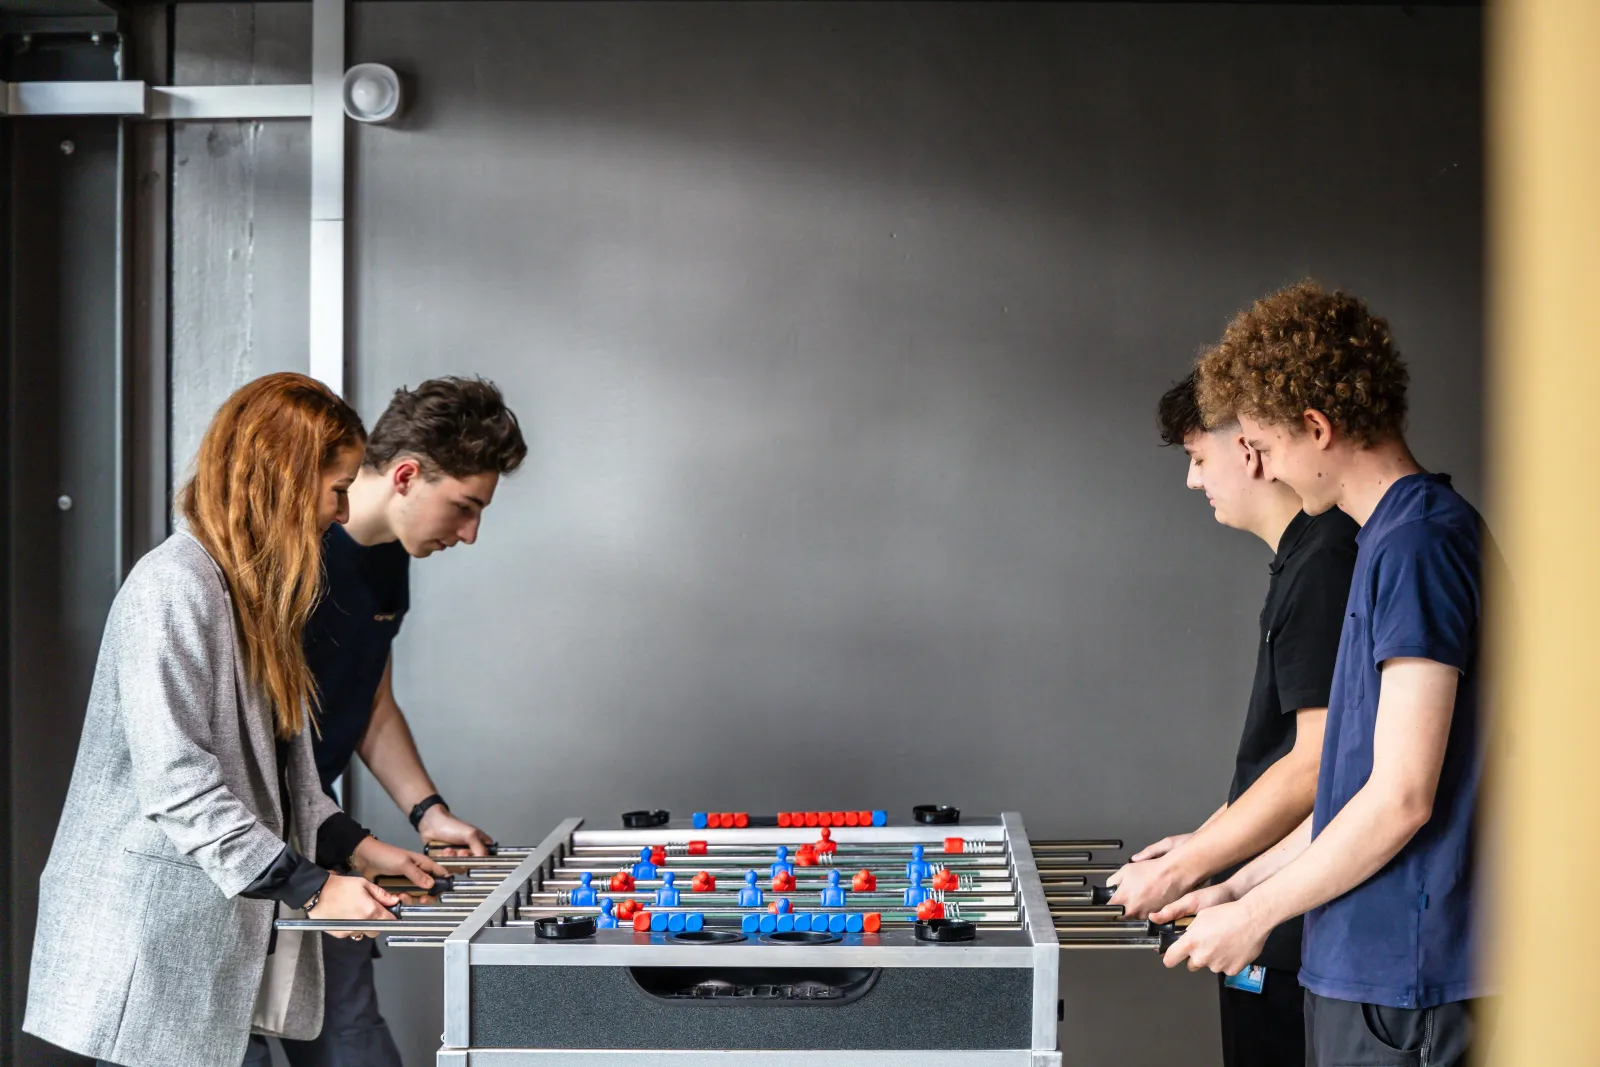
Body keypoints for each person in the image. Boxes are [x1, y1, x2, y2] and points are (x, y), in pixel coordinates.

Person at [23, 373, 447, 1067]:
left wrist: (358, 845)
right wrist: (314, 889)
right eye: (337, 487)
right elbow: (180, 787)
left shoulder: (257, 597)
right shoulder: (172, 587)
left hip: (219, 939)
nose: (342, 512)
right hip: (149, 944)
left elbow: (287, 777)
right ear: (284, 478)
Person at [1162, 281, 1491, 1067]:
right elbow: (1350, 794)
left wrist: (1254, 915)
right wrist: (1238, 889)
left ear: (1318, 427)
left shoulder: (1420, 545)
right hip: (1362, 973)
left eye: (1265, 449)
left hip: (1409, 983)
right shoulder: (1384, 541)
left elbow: (1403, 796)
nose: (1262, 467)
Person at [1104, 371, 1356, 1066]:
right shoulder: (1306, 557)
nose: (1193, 480)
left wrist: (1189, 865)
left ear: (1248, 449)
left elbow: (1317, 765)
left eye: (1197, 456)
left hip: (1292, 926)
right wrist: (1203, 843)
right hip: (1260, 905)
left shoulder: (1328, 560)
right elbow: (1279, 759)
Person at [282, 376, 527, 1067]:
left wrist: (427, 811)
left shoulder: (389, 559)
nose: (471, 533)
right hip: (254, 844)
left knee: (352, 1036)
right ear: (407, 475)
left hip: (321, 834)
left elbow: (371, 702)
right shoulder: (293, 554)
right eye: (464, 507)